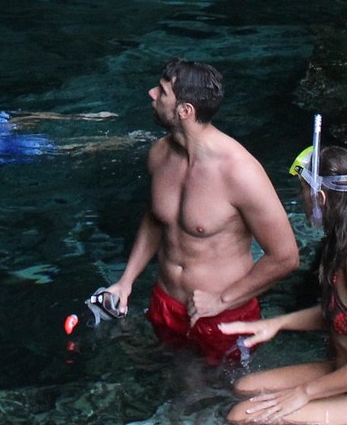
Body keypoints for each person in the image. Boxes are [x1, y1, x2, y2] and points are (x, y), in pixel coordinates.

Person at [99, 59, 300, 363]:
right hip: (165, 302)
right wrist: (126, 280)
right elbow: (156, 218)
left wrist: (221, 300)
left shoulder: (240, 172)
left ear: (185, 111)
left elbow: (285, 256)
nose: (152, 93)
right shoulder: (159, 154)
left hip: (222, 312)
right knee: (175, 375)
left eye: (163, 91)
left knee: (217, 397)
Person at [221, 140, 347, 423]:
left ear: (321, 198)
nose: (302, 200)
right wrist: (275, 324)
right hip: (346, 372)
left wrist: (304, 393)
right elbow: (344, 314)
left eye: (303, 193)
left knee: (241, 416)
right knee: (244, 388)